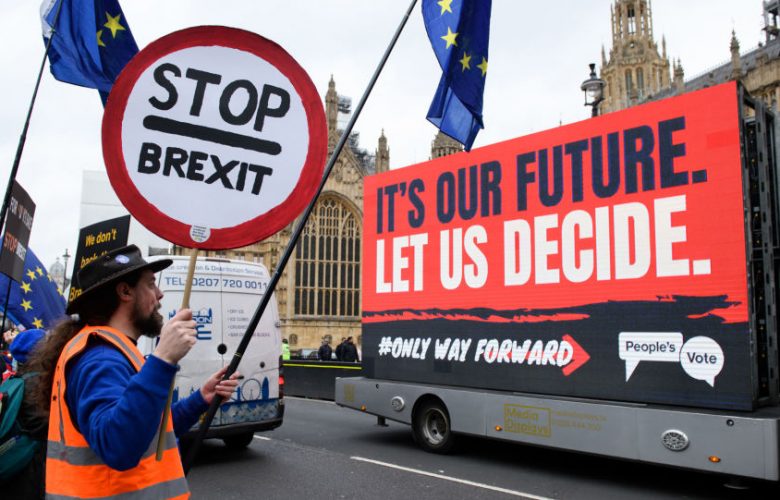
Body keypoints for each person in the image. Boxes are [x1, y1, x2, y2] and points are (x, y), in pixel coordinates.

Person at [25, 245, 240, 499]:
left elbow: (148, 428)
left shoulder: (114, 350)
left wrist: (200, 400)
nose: (159, 294)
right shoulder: (100, 359)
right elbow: (119, 445)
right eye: (150, 284)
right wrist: (163, 359)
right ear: (125, 292)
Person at [2, 328, 47, 498]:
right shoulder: (38, 385)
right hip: (29, 469)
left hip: (11, 463)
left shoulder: (13, 381)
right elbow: (41, 429)